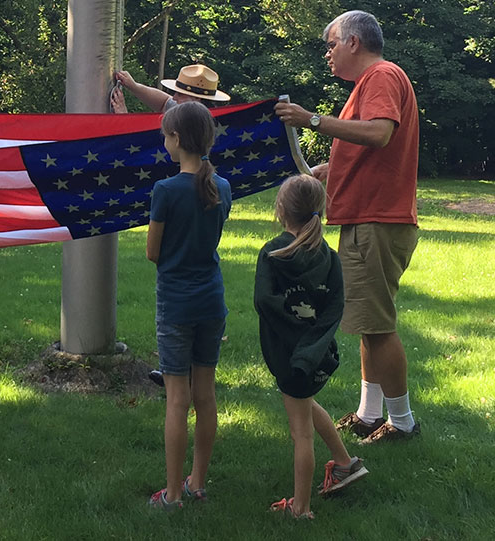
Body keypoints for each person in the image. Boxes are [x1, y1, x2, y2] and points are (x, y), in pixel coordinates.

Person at [274, 10, 420, 443]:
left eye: (331, 44)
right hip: (366, 218)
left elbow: (378, 134)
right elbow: (368, 147)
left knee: (378, 325)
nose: (328, 54)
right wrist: (330, 166)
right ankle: (369, 414)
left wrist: (311, 120)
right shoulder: (368, 84)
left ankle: (403, 423)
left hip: (377, 219)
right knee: (365, 321)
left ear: (354, 42)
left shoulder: (381, 76)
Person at [254, 175, 369, 519]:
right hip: (315, 356)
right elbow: (334, 310)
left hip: (291, 358)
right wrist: (311, 346)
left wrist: (296, 345)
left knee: (300, 433)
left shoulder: (273, 253)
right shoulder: (330, 258)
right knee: (305, 405)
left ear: (280, 210)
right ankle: (346, 463)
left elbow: (264, 301)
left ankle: (300, 508)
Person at [145, 101, 231, 510]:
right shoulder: (224, 186)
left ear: (177, 140)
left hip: (176, 305)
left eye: (166, 135)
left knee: (177, 400)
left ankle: (173, 494)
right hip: (212, 301)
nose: (164, 141)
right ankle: (198, 482)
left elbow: (152, 252)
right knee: (206, 395)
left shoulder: (165, 190)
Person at [111, 64, 230, 114]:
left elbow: (149, 146)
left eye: (180, 94)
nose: (174, 97)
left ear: (197, 99)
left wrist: (124, 117)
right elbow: (164, 102)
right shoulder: (186, 110)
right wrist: (134, 86)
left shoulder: (195, 127)